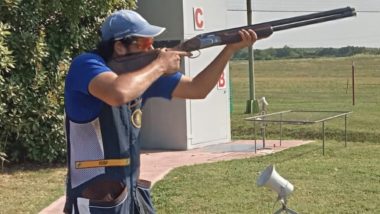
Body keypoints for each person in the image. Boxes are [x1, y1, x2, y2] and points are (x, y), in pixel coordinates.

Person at [63, 9, 257, 214]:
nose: (153, 48)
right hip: (95, 199)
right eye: (145, 44)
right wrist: (160, 64)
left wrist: (228, 50)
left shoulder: (142, 75)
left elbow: (197, 89)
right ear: (120, 47)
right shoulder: (86, 65)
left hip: (130, 193)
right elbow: (117, 92)